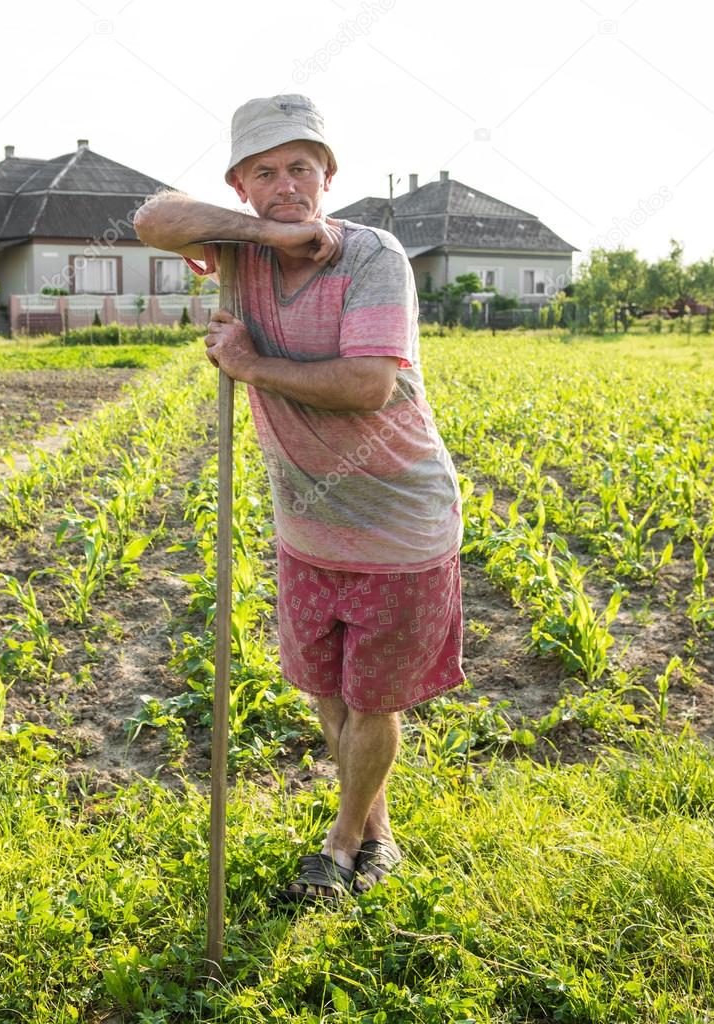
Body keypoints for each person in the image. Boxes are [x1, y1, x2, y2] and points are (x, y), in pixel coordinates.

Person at [134, 94, 464, 905]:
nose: (288, 183)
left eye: (302, 169)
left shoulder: (371, 254)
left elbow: (366, 383)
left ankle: (344, 841)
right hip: (305, 520)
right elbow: (150, 219)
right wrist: (266, 234)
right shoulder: (240, 247)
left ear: (328, 175)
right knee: (325, 688)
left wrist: (249, 365)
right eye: (267, 171)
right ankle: (378, 828)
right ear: (240, 184)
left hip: (398, 520)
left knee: (372, 697)